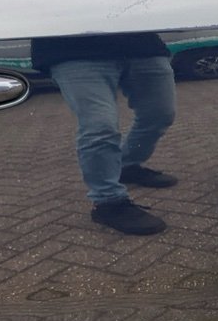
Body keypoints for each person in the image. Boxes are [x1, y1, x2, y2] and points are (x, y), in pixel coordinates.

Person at [32, 32, 178, 236]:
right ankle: (109, 202)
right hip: (71, 50)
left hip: (143, 46)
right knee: (100, 127)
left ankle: (127, 165)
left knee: (159, 115)